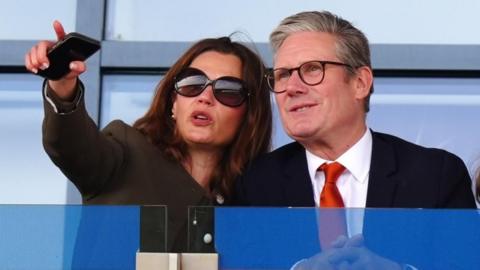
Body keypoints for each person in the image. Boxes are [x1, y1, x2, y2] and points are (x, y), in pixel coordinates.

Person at [234, 11, 477, 269]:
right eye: (283, 74)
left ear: (360, 82)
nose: (292, 87)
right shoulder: (254, 183)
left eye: (312, 69)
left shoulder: (436, 175)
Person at [25, 21, 272, 252]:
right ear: (173, 102)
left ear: (249, 115)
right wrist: (61, 85)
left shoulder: (253, 200)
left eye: (227, 90)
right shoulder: (127, 151)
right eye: (192, 83)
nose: (204, 97)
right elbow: (71, 145)